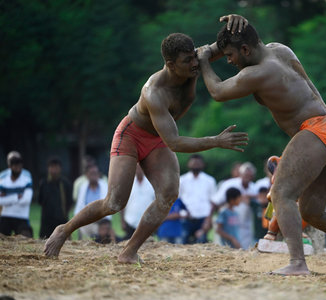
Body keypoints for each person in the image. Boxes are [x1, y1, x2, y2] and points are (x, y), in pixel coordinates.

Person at [197, 14, 326, 275]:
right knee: (313, 211)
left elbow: (217, 92)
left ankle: (298, 263)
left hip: (316, 131)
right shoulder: (279, 50)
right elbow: (239, 43)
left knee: (281, 194)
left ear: (245, 49)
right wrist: (226, 37)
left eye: (230, 55)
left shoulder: (258, 73)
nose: (228, 61)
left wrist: (205, 59)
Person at [44, 30, 249, 263]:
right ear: (171, 64)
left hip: (159, 137)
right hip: (132, 135)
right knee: (114, 202)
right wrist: (216, 141)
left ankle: (129, 251)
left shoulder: (197, 60)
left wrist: (237, 25)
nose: (195, 64)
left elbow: (223, 46)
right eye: (187, 61)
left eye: (194, 56)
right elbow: (175, 142)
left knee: (168, 194)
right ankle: (64, 230)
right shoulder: (154, 92)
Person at [211, 162, 258, 249]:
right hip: (228, 226)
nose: (247, 178)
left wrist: (251, 196)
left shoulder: (254, 188)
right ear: (240, 174)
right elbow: (215, 201)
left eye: (250, 176)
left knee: (243, 251)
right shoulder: (229, 184)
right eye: (245, 175)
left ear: (253, 177)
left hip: (246, 227)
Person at [179, 154, 216, 244]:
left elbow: (213, 202)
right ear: (188, 164)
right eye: (193, 162)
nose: (196, 164)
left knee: (202, 246)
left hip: (203, 219)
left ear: (203, 164)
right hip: (186, 219)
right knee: (183, 246)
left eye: (198, 163)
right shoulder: (182, 180)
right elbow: (177, 200)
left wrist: (208, 220)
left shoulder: (210, 180)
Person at [38, 156, 73, 239]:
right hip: (46, 222)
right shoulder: (43, 183)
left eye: (56, 167)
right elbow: (40, 201)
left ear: (60, 169)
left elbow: (69, 202)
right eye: (51, 167)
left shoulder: (65, 183)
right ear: (48, 169)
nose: (54, 170)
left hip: (62, 220)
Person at [0, 151, 33, 237]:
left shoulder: (26, 177)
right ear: (9, 166)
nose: (18, 168)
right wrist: (16, 197)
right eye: (15, 164)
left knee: (26, 238)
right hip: (6, 216)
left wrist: (7, 197)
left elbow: (26, 200)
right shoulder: (3, 178)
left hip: (21, 216)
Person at [73, 164, 109, 239]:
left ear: (99, 174)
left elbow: (108, 206)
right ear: (86, 175)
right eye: (91, 173)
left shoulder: (105, 186)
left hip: (101, 223)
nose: (94, 175)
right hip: (85, 223)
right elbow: (79, 206)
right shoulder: (83, 187)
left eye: (95, 173)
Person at [121, 164, 155, 240]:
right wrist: (122, 221)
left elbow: (156, 203)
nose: (139, 170)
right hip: (130, 221)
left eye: (140, 168)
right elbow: (122, 204)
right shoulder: (127, 182)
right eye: (137, 168)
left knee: (148, 247)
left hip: (147, 222)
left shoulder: (152, 182)